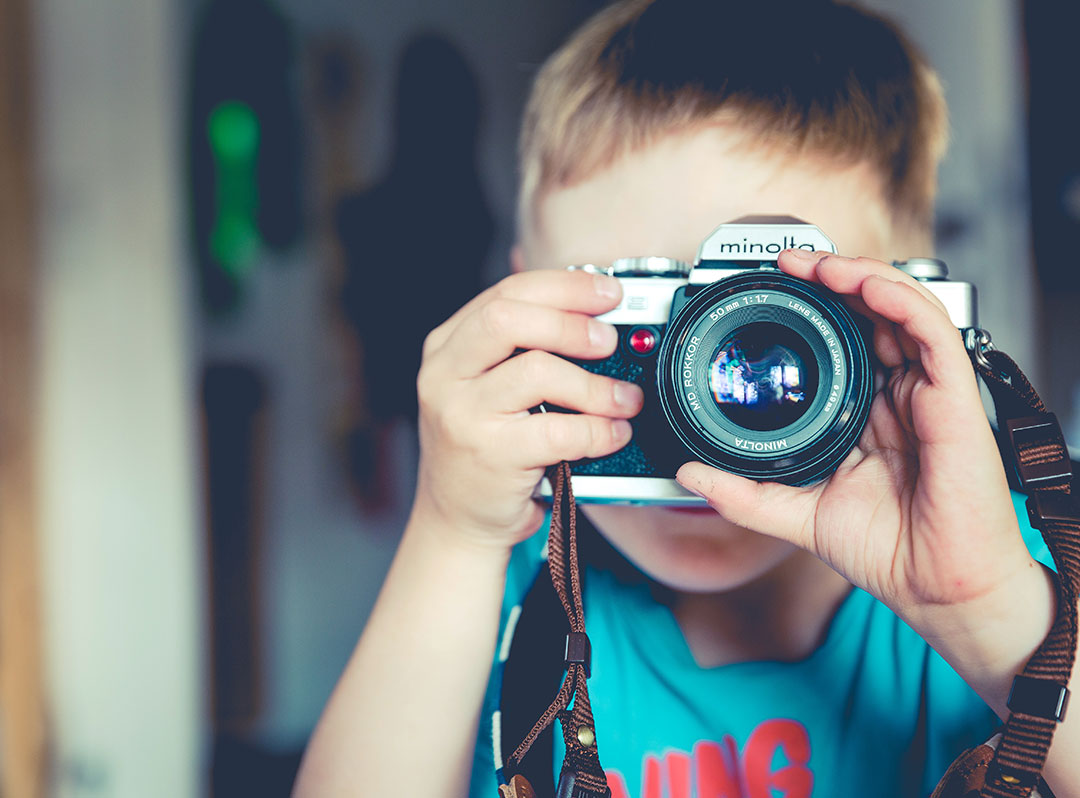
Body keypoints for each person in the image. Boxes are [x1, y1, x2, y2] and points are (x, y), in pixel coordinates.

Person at [293, 1, 1080, 796]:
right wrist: (453, 530)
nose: (699, 413)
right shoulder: (505, 585)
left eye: (779, 319)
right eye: (648, 315)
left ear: (904, 311)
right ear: (526, 305)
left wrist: (995, 623)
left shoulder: (1000, 571)